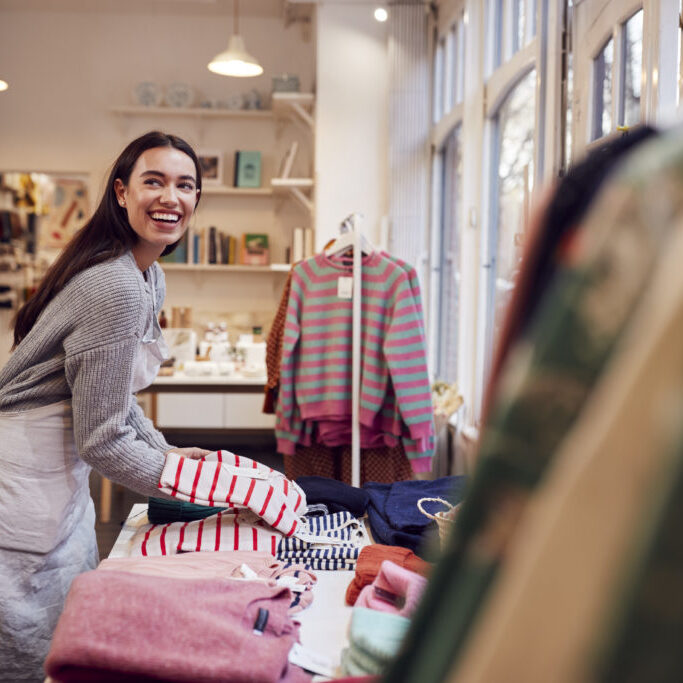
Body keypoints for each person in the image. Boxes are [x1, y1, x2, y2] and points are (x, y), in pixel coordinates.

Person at [0, 131, 211, 681]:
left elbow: (115, 400)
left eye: (185, 185)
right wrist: (185, 485)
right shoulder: (113, 285)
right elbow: (103, 439)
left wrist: (166, 451)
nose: (171, 197)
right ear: (121, 192)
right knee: (23, 635)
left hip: (55, 474)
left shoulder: (146, 275)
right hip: (19, 475)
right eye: (154, 181)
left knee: (58, 613)